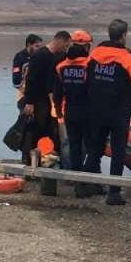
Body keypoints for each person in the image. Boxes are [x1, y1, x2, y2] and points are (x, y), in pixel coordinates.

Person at [84, 19, 131, 205]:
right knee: (118, 151)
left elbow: (86, 79)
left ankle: (89, 185)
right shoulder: (126, 58)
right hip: (118, 112)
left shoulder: (95, 54)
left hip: (97, 110)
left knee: (95, 148)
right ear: (124, 36)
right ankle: (114, 193)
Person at [53, 29, 95, 196]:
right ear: (85, 46)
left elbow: (57, 92)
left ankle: (77, 183)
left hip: (70, 112)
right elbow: (95, 90)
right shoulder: (90, 65)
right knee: (92, 148)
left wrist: (58, 111)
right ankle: (88, 182)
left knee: (74, 147)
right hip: (88, 113)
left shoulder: (61, 67)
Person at [20, 31, 70, 166]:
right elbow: (31, 79)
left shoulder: (57, 56)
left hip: (49, 98)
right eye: (65, 46)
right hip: (37, 99)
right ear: (59, 41)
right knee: (35, 130)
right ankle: (29, 161)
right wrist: (29, 102)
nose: (66, 49)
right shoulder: (40, 55)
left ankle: (45, 159)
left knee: (49, 131)